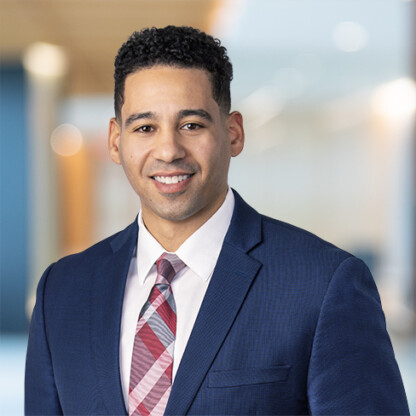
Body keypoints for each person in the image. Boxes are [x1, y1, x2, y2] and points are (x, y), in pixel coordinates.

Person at [25, 25, 409, 416]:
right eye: (145, 128)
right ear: (114, 141)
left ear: (234, 132)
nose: (169, 150)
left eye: (192, 125)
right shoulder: (63, 291)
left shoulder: (323, 284)